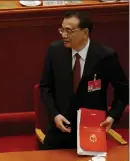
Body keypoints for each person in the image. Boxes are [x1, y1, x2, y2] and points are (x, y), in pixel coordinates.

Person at [39, 11, 128, 150]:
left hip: (92, 130)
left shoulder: (105, 56)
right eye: (62, 29)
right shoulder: (54, 51)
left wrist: (112, 116)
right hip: (59, 130)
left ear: (85, 32)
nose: (63, 35)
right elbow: (45, 87)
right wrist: (55, 115)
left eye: (69, 31)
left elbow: (123, 90)